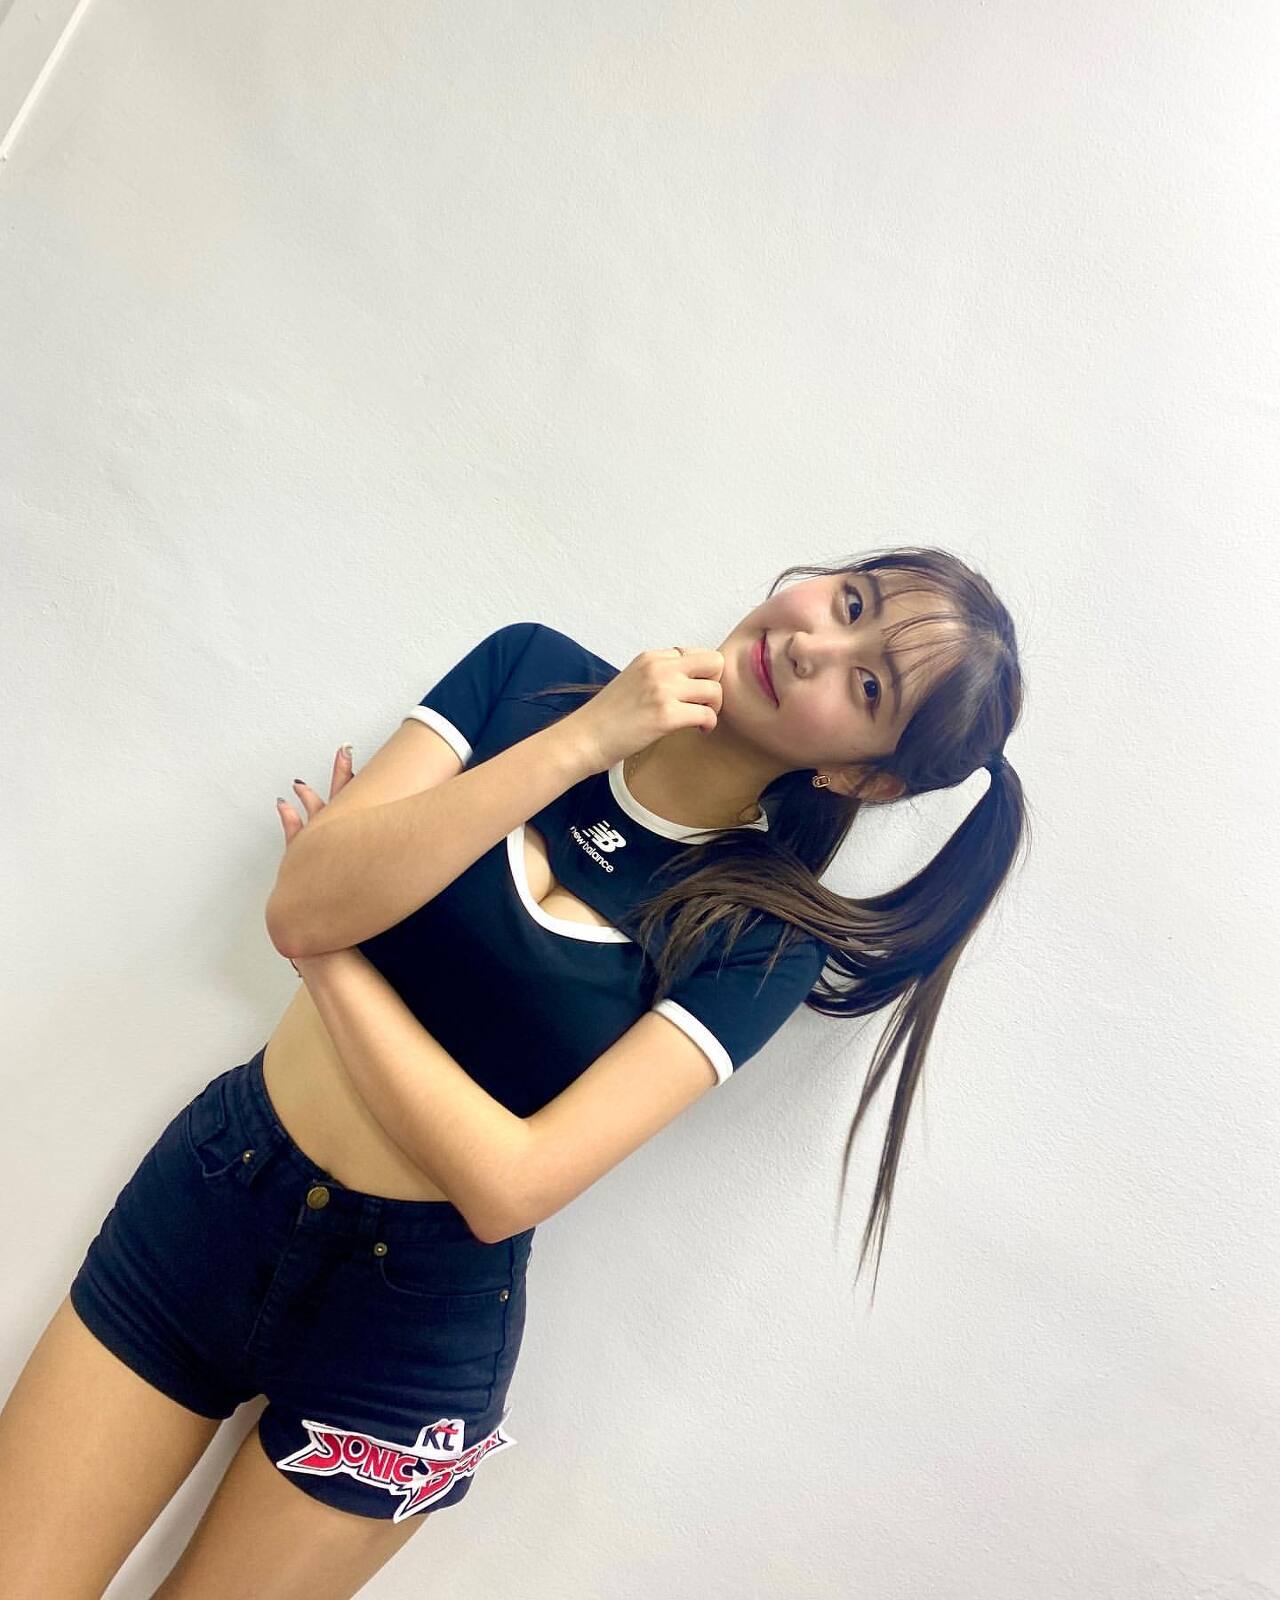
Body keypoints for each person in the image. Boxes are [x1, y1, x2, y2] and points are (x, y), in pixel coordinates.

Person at [0, 544, 1027, 1597]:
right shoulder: (526, 674)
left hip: (406, 1335)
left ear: (863, 775)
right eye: (848, 602)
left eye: (868, 686)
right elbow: (305, 899)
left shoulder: (761, 939)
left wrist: (327, 957)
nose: (815, 645)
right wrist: (587, 737)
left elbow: (510, 1182)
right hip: (214, 1202)